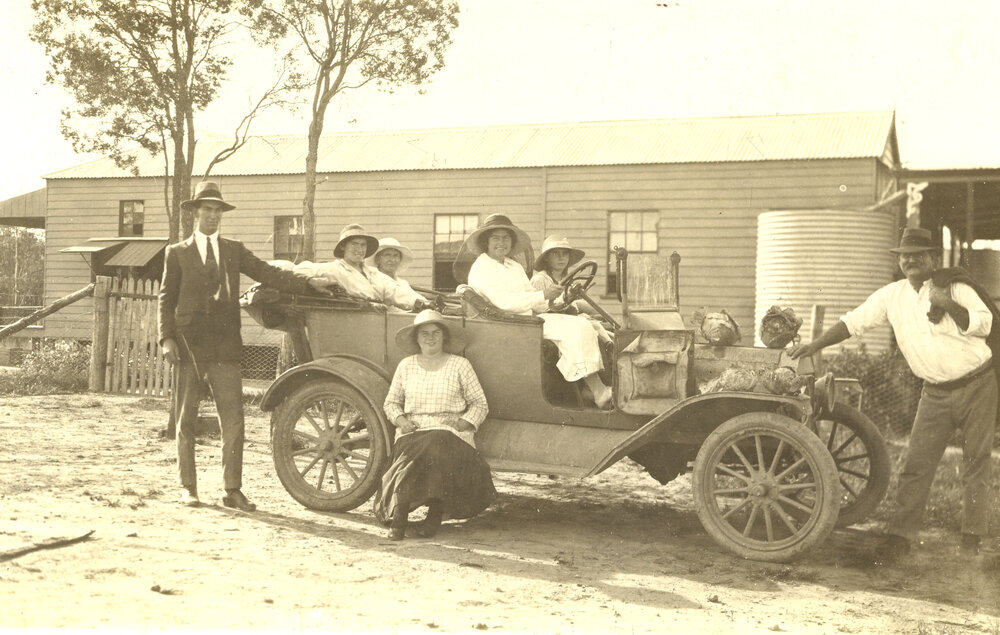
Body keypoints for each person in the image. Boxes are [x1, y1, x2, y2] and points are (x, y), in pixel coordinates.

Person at [788, 227, 996, 564]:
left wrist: (947, 303)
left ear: (933, 258)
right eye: (904, 256)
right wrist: (814, 345)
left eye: (918, 255)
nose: (910, 260)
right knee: (916, 465)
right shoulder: (892, 296)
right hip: (934, 392)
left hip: (978, 386)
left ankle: (971, 542)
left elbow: (985, 324)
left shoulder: (956, 287)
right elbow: (853, 323)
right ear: (899, 262)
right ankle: (900, 538)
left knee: (976, 463)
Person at [159, 181, 331, 511]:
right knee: (186, 419)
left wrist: (308, 282)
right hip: (188, 346)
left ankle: (232, 490)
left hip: (225, 348)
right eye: (207, 209)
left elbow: (268, 273)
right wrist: (166, 338)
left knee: (234, 420)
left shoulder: (234, 250)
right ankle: (188, 488)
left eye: (217, 210)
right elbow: (166, 299)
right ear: (195, 213)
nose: (213, 216)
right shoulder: (177, 253)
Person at [466, 215, 613, 409]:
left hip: (527, 319)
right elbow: (505, 303)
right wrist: (544, 294)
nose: (501, 243)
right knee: (576, 329)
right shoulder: (481, 268)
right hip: (507, 325)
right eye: (496, 238)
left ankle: (590, 387)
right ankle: (598, 391)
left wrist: (559, 299)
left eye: (506, 238)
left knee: (584, 323)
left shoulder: (513, 266)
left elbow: (533, 300)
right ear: (486, 241)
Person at [374, 310, 496, 540]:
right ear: (416, 338)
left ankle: (427, 517)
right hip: (414, 430)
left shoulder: (460, 365)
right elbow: (391, 403)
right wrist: (402, 421)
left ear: (444, 337)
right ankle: (401, 514)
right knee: (423, 448)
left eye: (436, 333)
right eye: (424, 333)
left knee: (439, 442)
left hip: (451, 432)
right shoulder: (406, 366)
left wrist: (463, 422)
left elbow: (480, 404)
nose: (430, 338)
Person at [320, 224, 426, 311]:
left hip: (377, 320)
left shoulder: (374, 273)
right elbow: (309, 269)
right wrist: (312, 281)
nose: (359, 249)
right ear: (343, 246)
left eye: (363, 245)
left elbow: (395, 292)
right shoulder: (334, 268)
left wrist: (424, 303)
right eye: (354, 244)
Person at [530, 235, 612, 343]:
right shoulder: (539, 279)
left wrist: (576, 297)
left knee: (600, 325)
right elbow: (538, 308)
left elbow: (574, 306)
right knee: (587, 325)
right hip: (549, 325)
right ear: (546, 258)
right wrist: (566, 299)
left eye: (565, 254)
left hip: (567, 319)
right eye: (555, 254)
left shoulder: (568, 280)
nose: (561, 258)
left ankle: (609, 344)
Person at [367, 237, 429, 310]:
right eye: (387, 255)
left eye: (396, 255)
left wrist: (428, 303)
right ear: (378, 259)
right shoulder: (375, 279)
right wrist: (422, 303)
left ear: (400, 260)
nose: (392, 260)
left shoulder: (403, 283)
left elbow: (414, 296)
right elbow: (396, 294)